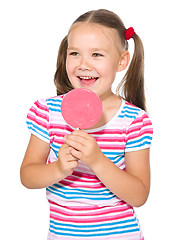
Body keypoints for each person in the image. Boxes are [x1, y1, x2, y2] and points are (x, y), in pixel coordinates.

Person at [20, 9, 153, 240]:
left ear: (122, 61)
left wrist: (97, 160)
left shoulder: (134, 121)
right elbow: (28, 176)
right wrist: (58, 169)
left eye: (97, 55)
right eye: (75, 53)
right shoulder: (48, 113)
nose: (83, 64)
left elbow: (139, 195)